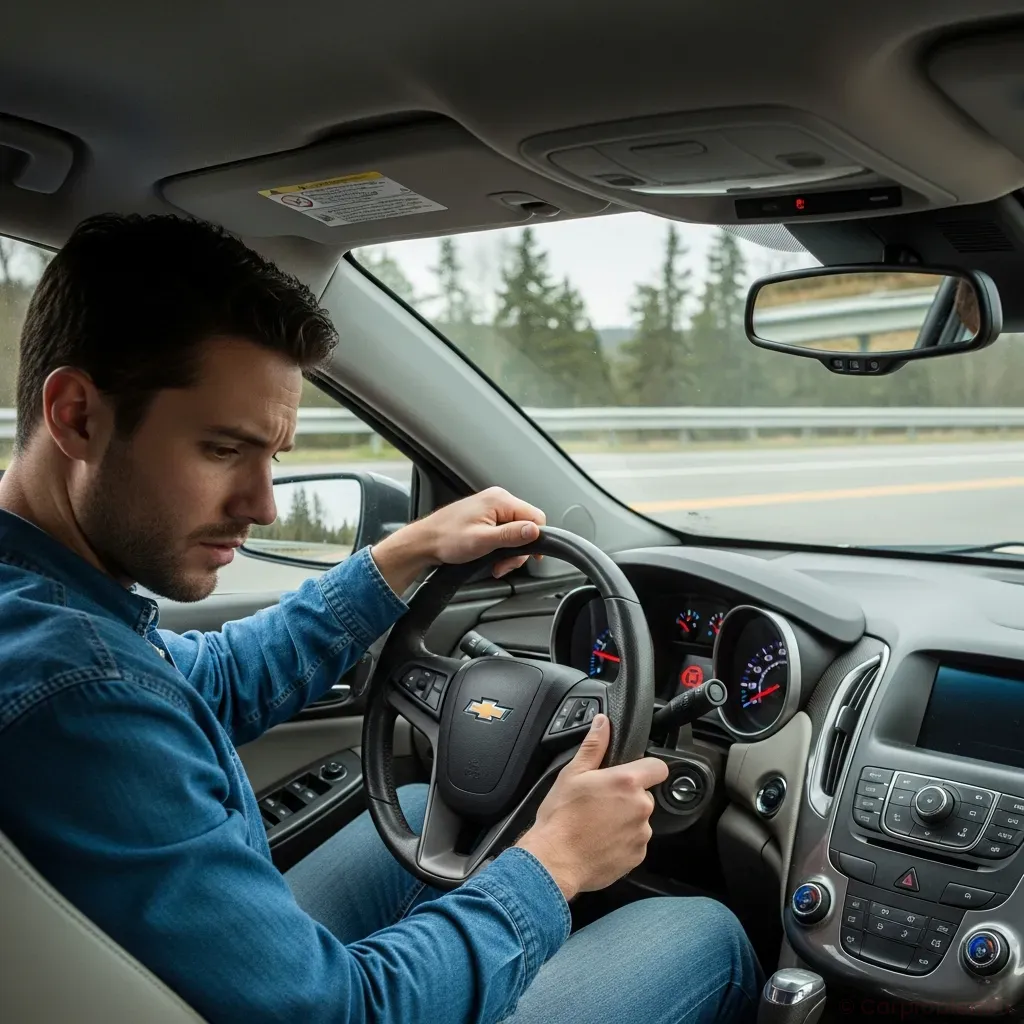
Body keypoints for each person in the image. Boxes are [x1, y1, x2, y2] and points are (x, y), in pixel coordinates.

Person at [0, 214, 760, 1024]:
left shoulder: (50, 609)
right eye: (223, 449)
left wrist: (405, 554)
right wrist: (556, 862)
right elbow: (351, 1014)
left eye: (272, 459)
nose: (260, 505)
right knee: (703, 932)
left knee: (430, 812)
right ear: (77, 414)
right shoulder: (80, 690)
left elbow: (207, 681)